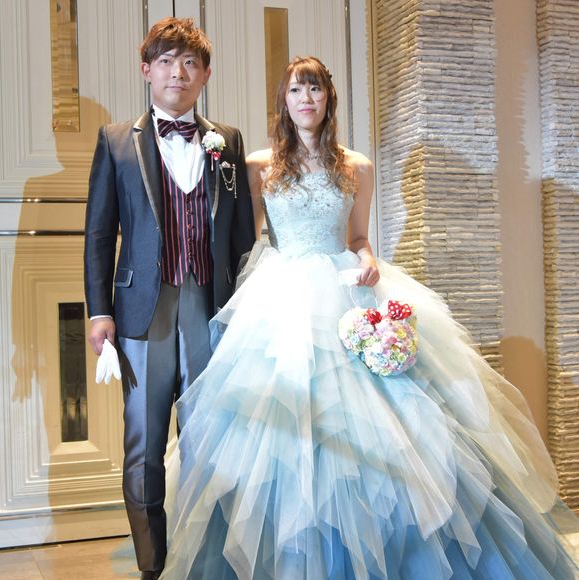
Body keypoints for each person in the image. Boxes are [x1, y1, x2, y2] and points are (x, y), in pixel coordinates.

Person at [159, 56, 578, 579]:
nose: (306, 99)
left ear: (328, 98)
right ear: (284, 101)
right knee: (286, 425)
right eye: (296, 90)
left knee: (396, 419)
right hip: (282, 294)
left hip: (346, 289)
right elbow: (243, 238)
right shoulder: (259, 164)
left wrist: (369, 262)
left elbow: (359, 238)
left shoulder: (356, 165)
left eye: (315, 89)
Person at [84, 17, 255, 580]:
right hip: (143, 312)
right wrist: (100, 311)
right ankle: (153, 566)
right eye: (165, 61)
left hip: (211, 305)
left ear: (205, 74)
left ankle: (205, 560)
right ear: (146, 70)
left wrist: (247, 306)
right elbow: (100, 233)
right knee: (144, 444)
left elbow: (241, 235)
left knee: (210, 439)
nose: (177, 72)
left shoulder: (227, 141)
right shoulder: (116, 141)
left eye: (189, 63)